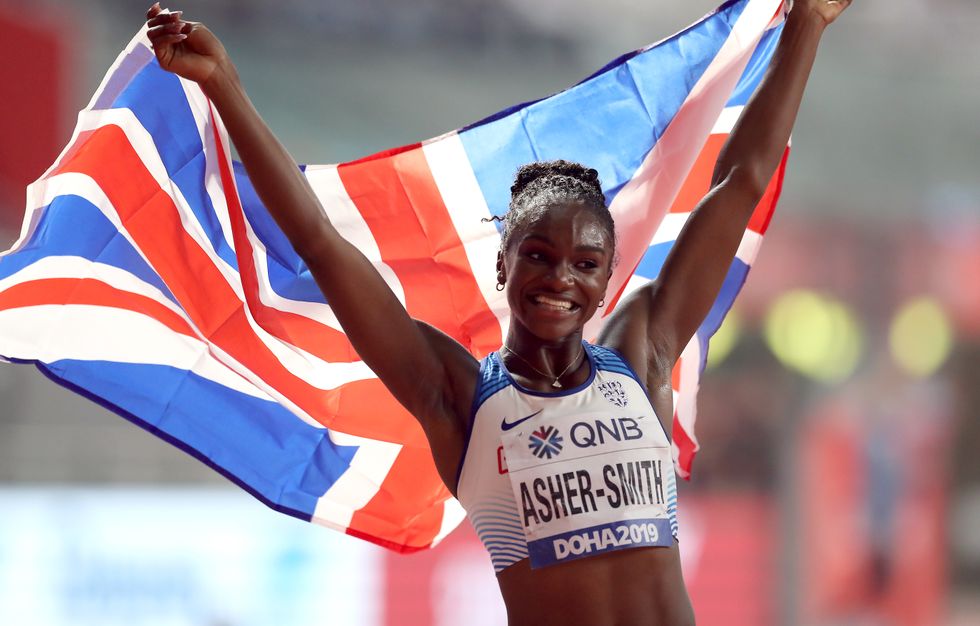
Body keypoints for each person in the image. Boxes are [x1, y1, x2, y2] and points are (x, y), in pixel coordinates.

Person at [145, 1, 852, 623]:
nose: (559, 279)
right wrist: (224, 87)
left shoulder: (644, 353)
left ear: (606, 282)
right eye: (539, 255)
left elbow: (741, 179)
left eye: (584, 265)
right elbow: (323, 247)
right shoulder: (458, 396)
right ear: (502, 266)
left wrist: (807, 25)